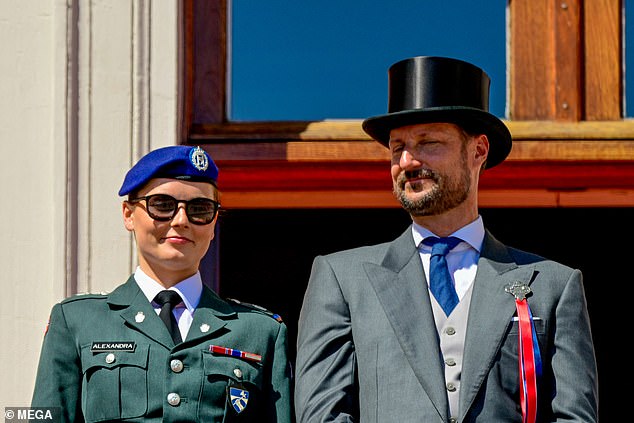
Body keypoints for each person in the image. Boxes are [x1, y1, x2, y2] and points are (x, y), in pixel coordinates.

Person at [294, 56, 598, 422]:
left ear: (478, 151)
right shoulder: (341, 279)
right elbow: (321, 415)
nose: (406, 160)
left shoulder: (554, 285)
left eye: (427, 143)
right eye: (397, 147)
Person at [32, 145, 293, 422]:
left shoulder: (261, 331)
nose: (181, 220)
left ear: (214, 221)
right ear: (128, 215)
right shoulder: (76, 320)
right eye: (163, 205)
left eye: (200, 209)